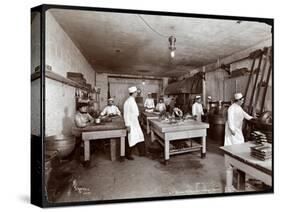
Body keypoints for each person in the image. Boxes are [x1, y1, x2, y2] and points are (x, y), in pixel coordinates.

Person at [123, 86, 145, 160]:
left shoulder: (133, 100)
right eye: (136, 92)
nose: (137, 94)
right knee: (131, 138)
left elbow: (135, 112)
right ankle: (127, 154)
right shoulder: (128, 102)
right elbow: (125, 114)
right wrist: (127, 125)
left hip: (135, 122)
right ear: (133, 93)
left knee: (139, 136)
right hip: (131, 123)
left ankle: (142, 153)